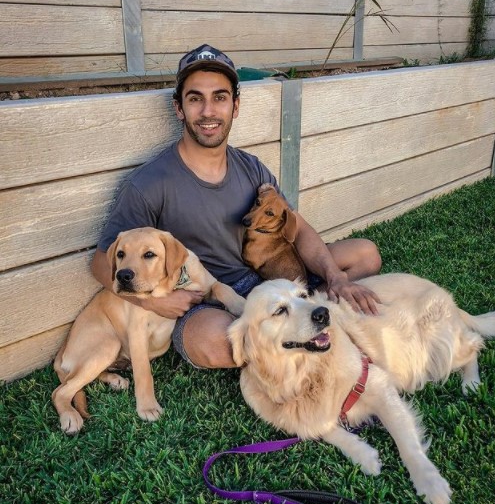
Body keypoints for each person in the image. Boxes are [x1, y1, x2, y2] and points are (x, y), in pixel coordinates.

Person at [91, 44, 382, 369]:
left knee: (365, 254)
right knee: (213, 343)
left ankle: (300, 316)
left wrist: (335, 277)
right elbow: (101, 263)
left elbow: (296, 227)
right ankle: (308, 323)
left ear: (235, 105)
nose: (208, 111)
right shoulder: (148, 184)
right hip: (211, 296)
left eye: (220, 97)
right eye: (195, 98)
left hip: (273, 274)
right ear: (179, 108)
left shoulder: (251, 167)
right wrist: (158, 304)